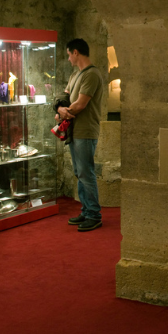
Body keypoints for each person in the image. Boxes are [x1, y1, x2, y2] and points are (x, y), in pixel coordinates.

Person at [56, 38, 105, 232]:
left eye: (69, 54)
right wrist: (60, 107)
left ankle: (94, 214)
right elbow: (64, 97)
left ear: (76, 52)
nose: (68, 59)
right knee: (79, 173)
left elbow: (80, 104)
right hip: (74, 130)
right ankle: (86, 211)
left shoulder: (92, 74)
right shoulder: (76, 75)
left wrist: (63, 111)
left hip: (86, 131)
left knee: (86, 173)